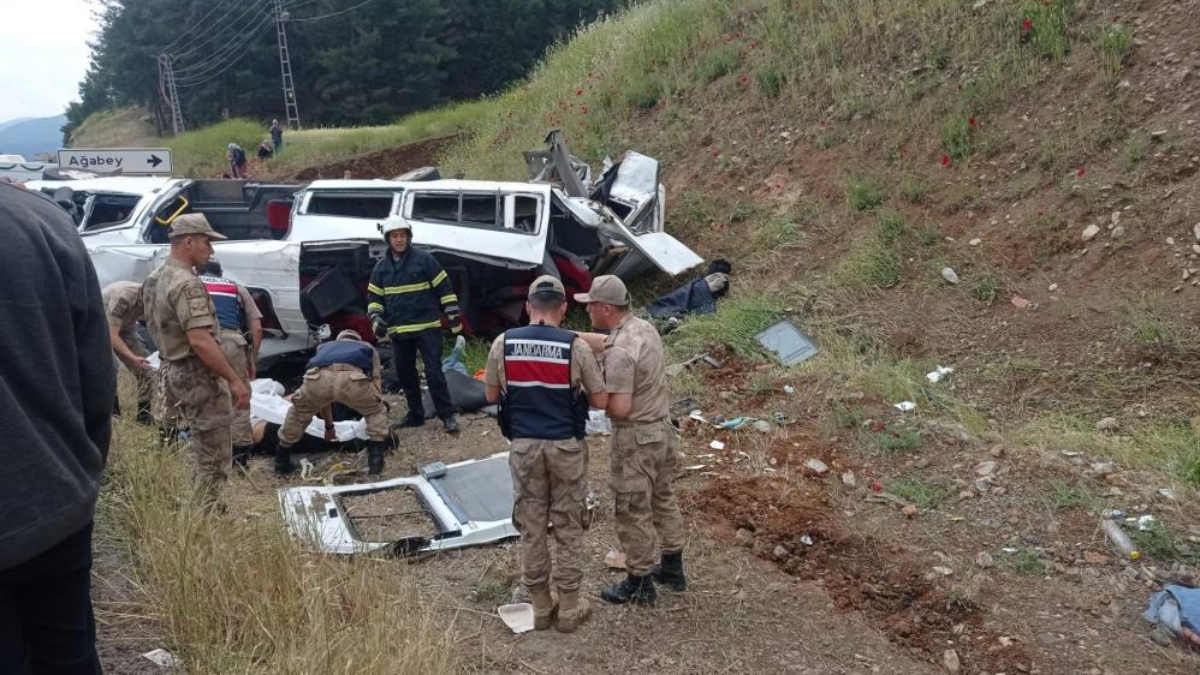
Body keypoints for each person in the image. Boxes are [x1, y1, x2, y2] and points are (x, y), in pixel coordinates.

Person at [0, 183, 114, 673]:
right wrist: (82, 471)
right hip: (57, 504)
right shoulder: (41, 220)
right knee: (69, 655)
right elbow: (97, 380)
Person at [484, 276, 607, 633]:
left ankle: (540, 605)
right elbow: (600, 400)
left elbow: (491, 396)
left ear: (528, 307)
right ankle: (568, 607)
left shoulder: (503, 343)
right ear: (563, 309)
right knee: (568, 524)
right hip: (566, 446)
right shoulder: (575, 347)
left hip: (524, 446)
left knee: (531, 524)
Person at [575, 275, 687, 606]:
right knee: (662, 497)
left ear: (605, 308)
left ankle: (639, 582)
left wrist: (589, 394)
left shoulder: (620, 351)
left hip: (636, 438)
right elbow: (607, 342)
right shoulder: (643, 328)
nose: (587, 310)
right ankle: (673, 568)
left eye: (591, 305)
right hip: (661, 430)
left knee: (631, 509)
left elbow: (619, 408)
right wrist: (571, 338)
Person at [142, 213, 251, 509]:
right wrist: (234, 380)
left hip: (171, 366)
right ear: (188, 242)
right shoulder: (187, 283)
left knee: (192, 440)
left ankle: (198, 505)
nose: (211, 250)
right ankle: (207, 511)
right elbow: (200, 340)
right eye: (207, 242)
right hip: (196, 372)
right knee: (213, 449)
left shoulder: (155, 278)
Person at [367, 215, 462, 433]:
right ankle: (416, 415)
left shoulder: (425, 260)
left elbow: (444, 287)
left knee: (434, 372)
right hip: (399, 331)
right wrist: (376, 318)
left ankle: (447, 415)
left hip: (427, 328)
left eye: (402, 235)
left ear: (408, 237)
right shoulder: (380, 269)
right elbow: (374, 299)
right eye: (395, 236)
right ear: (388, 239)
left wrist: (451, 312)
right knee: (405, 374)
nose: (399, 240)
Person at [275, 329, 388, 475]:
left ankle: (281, 459)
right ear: (358, 340)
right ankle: (376, 462)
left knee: (298, 414)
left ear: (338, 340)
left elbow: (324, 401)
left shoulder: (324, 347)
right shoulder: (367, 346)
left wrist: (329, 427)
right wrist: (376, 402)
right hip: (353, 378)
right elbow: (376, 379)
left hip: (317, 379)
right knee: (376, 411)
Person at [197, 260, 263, 468]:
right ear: (221, 272)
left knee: (199, 395)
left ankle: (202, 453)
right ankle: (239, 460)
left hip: (197, 342)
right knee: (239, 399)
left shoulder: (189, 285)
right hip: (230, 344)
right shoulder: (235, 288)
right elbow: (257, 328)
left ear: (197, 270)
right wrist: (251, 357)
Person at [102, 280, 154, 424]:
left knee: (147, 366)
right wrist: (132, 358)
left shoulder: (155, 300)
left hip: (125, 329)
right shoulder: (123, 298)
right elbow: (112, 335)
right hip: (101, 328)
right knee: (110, 366)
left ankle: (144, 415)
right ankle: (112, 412)